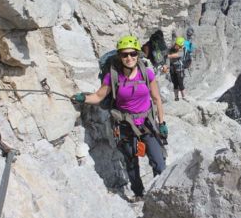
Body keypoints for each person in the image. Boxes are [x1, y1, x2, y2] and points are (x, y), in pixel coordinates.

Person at [70, 35, 168, 201]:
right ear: (119, 56)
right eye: (124, 54)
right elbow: (99, 96)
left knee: (158, 161)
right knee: (131, 163)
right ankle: (138, 194)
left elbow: (157, 99)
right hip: (124, 126)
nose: (129, 58)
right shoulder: (113, 76)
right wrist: (83, 98)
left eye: (132, 54)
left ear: (138, 54)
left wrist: (162, 123)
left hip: (147, 124)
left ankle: (162, 195)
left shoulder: (147, 73)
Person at [167, 36, 187, 101]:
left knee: (180, 83)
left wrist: (168, 56)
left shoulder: (183, 50)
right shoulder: (172, 49)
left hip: (180, 70)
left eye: (178, 46)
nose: (177, 46)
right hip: (173, 69)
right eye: (177, 45)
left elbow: (177, 55)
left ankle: (184, 97)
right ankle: (176, 98)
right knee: (175, 83)